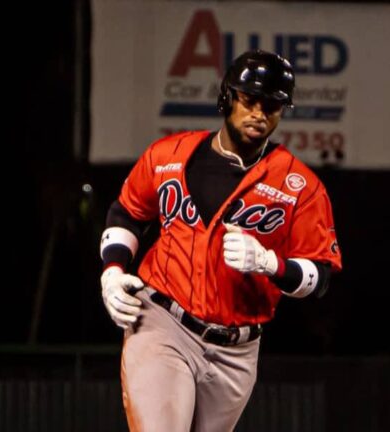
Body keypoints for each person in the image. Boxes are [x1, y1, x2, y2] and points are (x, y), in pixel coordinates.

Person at [99, 49, 342, 431]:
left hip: (237, 350)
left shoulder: (300, 187)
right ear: (227, 97)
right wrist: (113, 271)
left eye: (273, 105)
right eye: (250, 100)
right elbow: (128, 212)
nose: (260, 113)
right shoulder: (169, 156)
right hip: (164, 322)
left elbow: (321, 275)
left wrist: (270, 264)